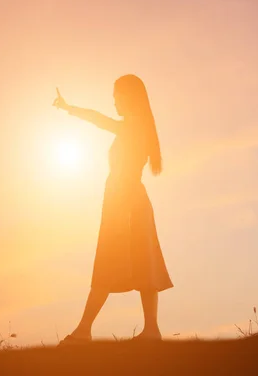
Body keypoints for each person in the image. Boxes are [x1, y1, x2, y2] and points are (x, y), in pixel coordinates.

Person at [53, 74, 173, 344]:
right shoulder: (137, 126)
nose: (114, 100)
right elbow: (101, 119)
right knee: (142, 263)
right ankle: (149, 330)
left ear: (128, 96)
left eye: (116, 94)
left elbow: (98, 119)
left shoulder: (134, 127)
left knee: (109, 264)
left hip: (125, 203)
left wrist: (69, 108)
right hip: (130, 201)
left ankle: (84, 330)